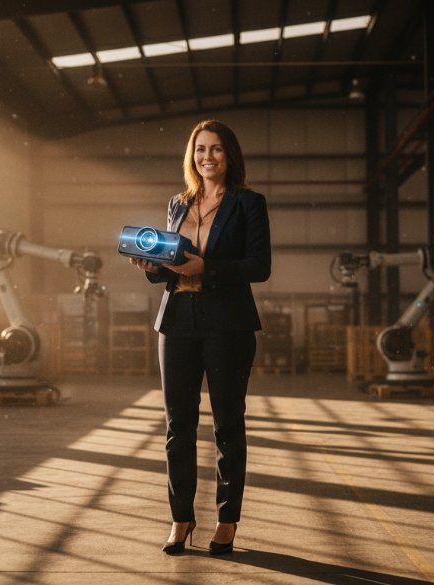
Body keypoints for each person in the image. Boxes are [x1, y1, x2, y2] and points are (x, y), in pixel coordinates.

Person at [129, 119, 271, 555]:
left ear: (230, 155)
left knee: (227, 425)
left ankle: (227, 521)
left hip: (227, 322)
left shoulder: (248, 202)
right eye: (199, 149)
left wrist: (205, 268)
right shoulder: (178, 203)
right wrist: (154, 267)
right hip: (177, 321)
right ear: (191, 156)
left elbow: (258, 267)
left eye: (216, 149)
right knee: (178, 428)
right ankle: (181, 518)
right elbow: (173, 265)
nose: (206, 157)